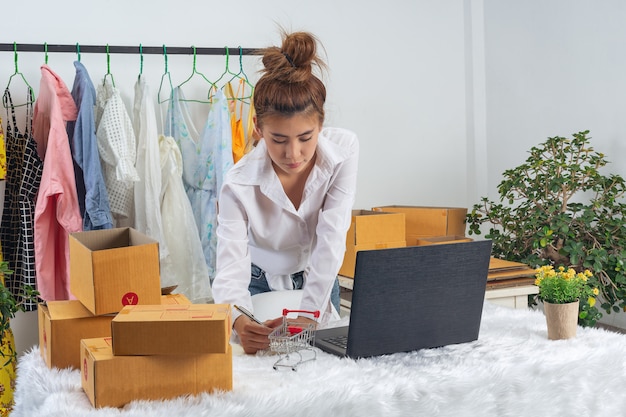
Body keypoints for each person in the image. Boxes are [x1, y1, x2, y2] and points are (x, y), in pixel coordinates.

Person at [212, 30, 359, 354]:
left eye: (306, 137)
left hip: (317, 277)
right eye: (278, 140)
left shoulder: (344, 150)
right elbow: (229, 266)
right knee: (263, 367)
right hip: (257, 282)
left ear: (321, 124)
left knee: (324, 369)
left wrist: (308, 315)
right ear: (257, 127)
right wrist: (238, 319)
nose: (293, 153)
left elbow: (332, 236)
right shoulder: (237, 183)